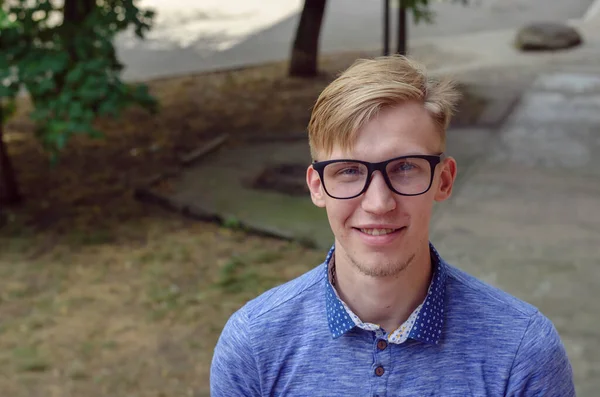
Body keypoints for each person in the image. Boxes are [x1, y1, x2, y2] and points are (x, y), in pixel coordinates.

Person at [210, 55, 575, 396]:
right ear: (317, 187)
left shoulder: (522, 352)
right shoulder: (254, 346)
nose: (379, 203)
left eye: (405, 167)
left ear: (444, 181)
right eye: (349, 171)